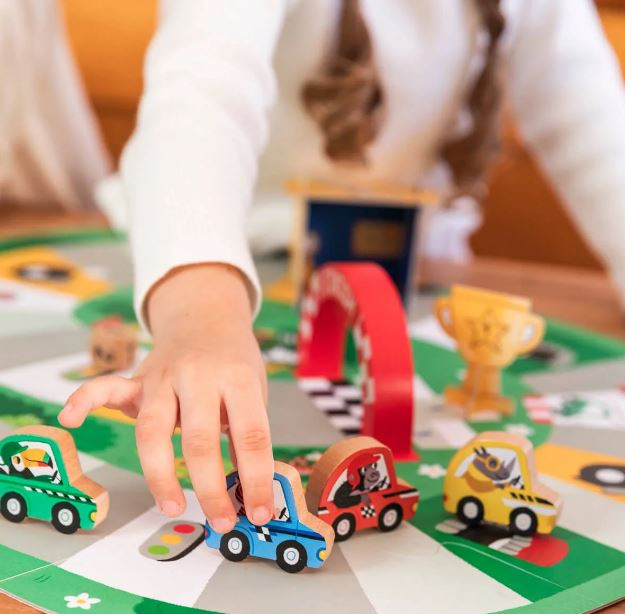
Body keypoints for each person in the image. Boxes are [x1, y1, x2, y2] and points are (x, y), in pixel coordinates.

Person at [59, 0, 625, 535]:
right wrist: (201, 314)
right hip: (208, 263)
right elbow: (198, 100)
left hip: (416, 276)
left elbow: (591, 122)